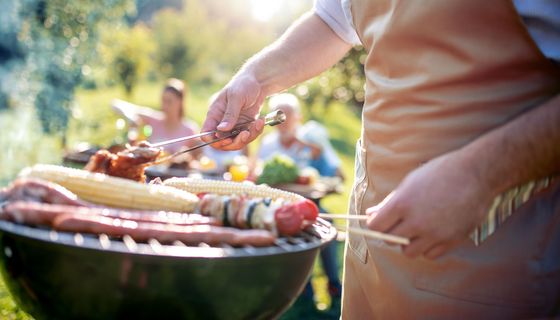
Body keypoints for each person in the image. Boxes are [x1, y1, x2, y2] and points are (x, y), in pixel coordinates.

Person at [201, 0, 560, 318]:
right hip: (369, 257)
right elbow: (331, 20)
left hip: (487, 264)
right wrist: (255, 78)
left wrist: (480, 175)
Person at [258, 94, 342, 319]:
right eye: (278, 116)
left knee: (325, 222)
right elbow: (257, 176)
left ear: (299, 118)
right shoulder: (268, 144)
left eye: (287, 115)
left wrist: (315, 151)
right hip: (277, 206)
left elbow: (338, 174)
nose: (283, 122)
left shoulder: (312, 138)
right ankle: (303, 290)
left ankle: (334, 285)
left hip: (310, 204)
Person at [112, 78, 200, 154]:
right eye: (163, 100)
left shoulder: (190, 129)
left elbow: (198, 158)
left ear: (180, 102)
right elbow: (116, 104)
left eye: (169, 101)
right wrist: (131, 119)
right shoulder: (154, 119)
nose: (164, 106)